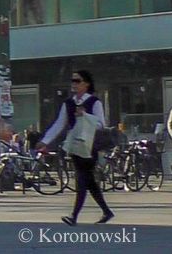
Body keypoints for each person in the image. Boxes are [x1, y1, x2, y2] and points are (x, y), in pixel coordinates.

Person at [38, 70, 114, 227]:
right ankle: (106, 211)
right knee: (89, 181)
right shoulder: (69, 103)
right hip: (75, 145)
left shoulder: (94, 102)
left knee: (82, 179)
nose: (74, 83)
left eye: (77, 81)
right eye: (72, 81)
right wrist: (45, 141)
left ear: (86, 84)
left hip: (90, 145)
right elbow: (60, 124)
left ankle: (74, 216)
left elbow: (101, 124)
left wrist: (85, 115)